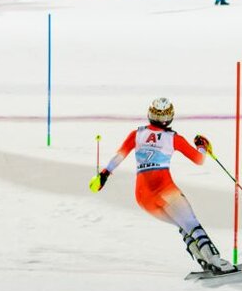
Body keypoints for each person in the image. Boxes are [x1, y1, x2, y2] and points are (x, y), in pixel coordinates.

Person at [89, 98, 234, 274]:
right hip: (164, 189)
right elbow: (199, 160)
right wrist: (203, 147)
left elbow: (119, 157)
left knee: (182, 225)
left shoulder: (137, 134)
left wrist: (103, 175)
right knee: (190, 223)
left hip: (143, 197)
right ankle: (216, 262)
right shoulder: (173, 138)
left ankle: (203, 260)